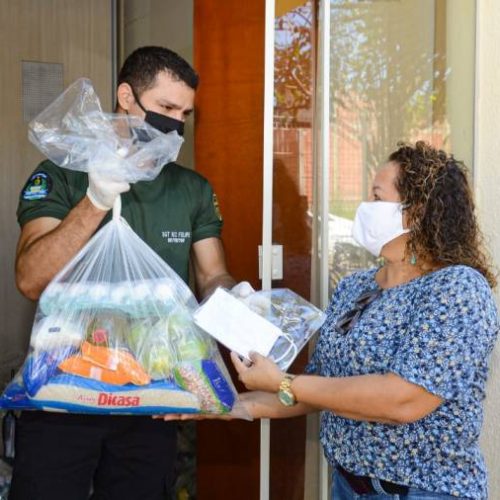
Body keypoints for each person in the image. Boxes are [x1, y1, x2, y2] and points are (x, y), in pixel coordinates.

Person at [10, 46, 236, 500]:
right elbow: (30, 279)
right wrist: (94, 201)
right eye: (166, 108)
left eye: (185, 113)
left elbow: (213, 279)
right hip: (62, 394)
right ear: (126, 96)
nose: (176, 124)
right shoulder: (63, 174)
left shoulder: (190, 188)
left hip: (153, 400)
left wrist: (241, 311)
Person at [229, 142, 498, 499]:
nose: (364, 208)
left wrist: (284, 380)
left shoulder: (458, 288)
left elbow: (402, 401)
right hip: (347, 487)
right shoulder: (356, 286)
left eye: (375, 197)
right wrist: (229, 406)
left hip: (421, 492)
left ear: (414, 213)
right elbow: (320, 387)